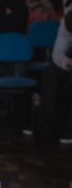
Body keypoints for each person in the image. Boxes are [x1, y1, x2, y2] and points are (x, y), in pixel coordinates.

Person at [35, 10, 72, 148]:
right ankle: (47, 123)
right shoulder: (67, 21)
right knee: (49, 72)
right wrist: (68, 62)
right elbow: (57, 54)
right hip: (69, 63)